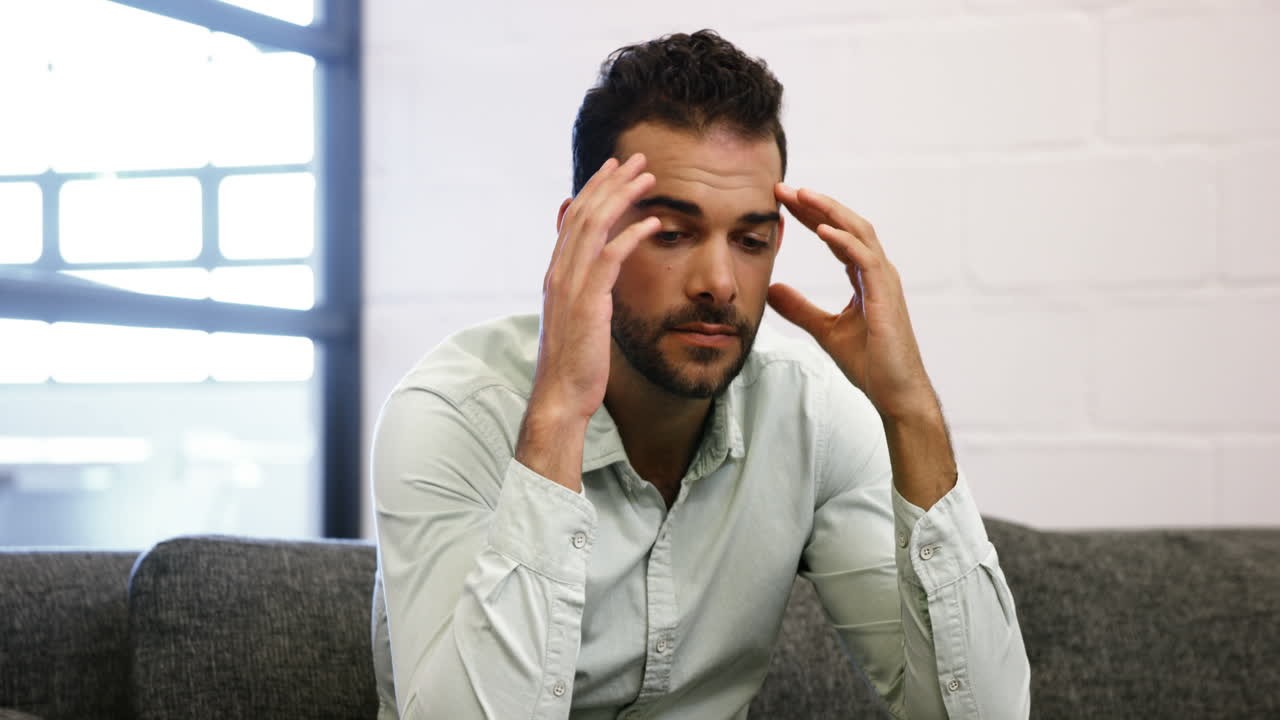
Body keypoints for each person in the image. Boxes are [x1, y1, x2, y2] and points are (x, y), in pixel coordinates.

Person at [371, 29, 1031, 719]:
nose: (719, 282)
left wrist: (909, 411)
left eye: (750, 240)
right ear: (579, 236)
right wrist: (559, 415)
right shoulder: (452, 416)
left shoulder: (809, 411)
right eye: (671, 233)